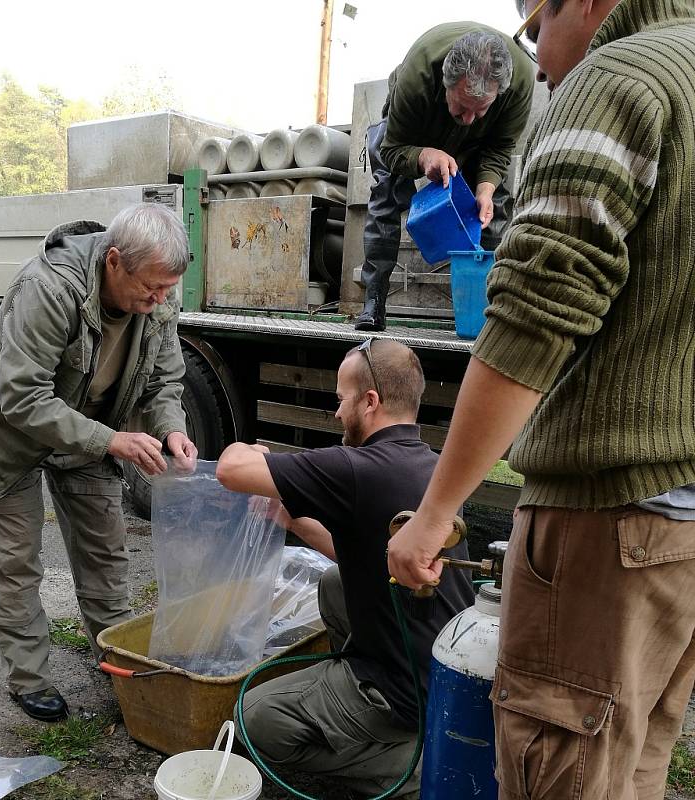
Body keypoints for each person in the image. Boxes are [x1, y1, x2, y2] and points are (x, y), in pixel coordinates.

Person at [387, 0, 695, 797]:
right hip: (685, 537)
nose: (544, 62)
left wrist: (436, 512)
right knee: (632, 765)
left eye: (537, 29)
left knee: (559, 770)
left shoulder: (620, 77)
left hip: (610, 522)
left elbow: (533, 317)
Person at [0, 204, 197, 722]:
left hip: (88, 431)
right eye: (150, 289)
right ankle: (28, 678)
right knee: (17, 559)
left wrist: (171, 428)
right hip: (8, 433)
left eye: (167, 291)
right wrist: (111, 440)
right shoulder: (48, 287)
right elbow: (21, 398)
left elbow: (162, 383)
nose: (157, 302)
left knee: (105, 554)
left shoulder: (158, 297)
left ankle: (116, 662)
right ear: (114, 262)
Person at [216, 339, 474, 798]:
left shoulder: (359, 467)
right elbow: (354, 550)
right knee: (336, 582)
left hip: (403, 694)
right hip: (443, 676)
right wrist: (291, 516)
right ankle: (367, 709)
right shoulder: (431, 468)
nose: (336, 414)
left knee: (253, 718)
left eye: (340, 400)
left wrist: (250, 447)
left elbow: (230, 470)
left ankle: (406, 767)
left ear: (369, 401)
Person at [355, 24, 534, 332]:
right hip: (413, 133)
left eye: (480, 110)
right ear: (446, 83)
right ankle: (374, 302)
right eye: (462, 107)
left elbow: (501, 147)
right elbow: (394, 149)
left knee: (493, 206)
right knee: (386, 191)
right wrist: (424, 156)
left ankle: (486, 311)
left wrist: (486, 187)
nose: (467, 119)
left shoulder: (519, 84)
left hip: (480, 142)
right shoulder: (417, 77)